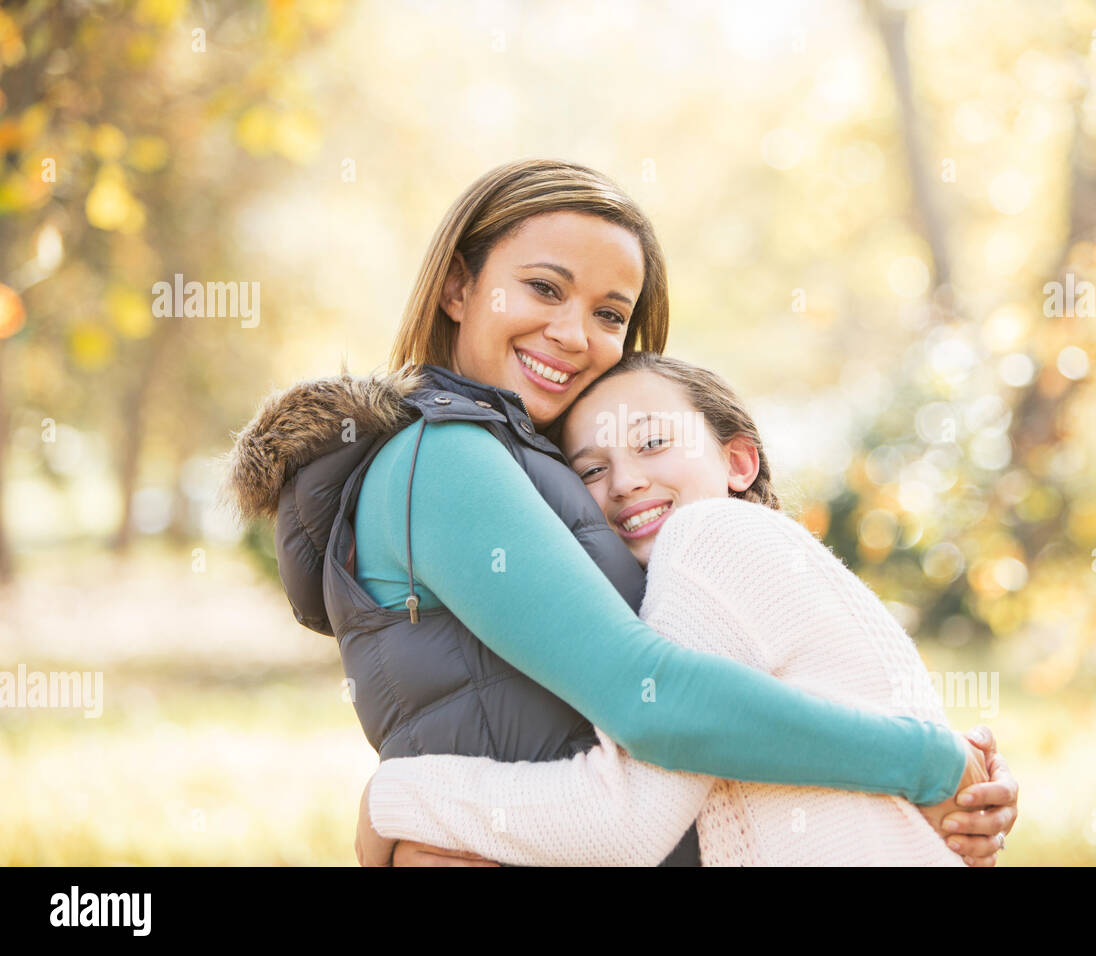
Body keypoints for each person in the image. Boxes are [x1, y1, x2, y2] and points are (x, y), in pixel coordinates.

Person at [227, 159, 1016, 868]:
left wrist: (948, 796)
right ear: (459, 287)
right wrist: (928, 765)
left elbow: (743, 679)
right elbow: (654, 702)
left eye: (610, 314)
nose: (573, 334)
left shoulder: (549, 472)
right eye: (543, 288)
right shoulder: (447, 460)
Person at [357, 353, 1016, 865]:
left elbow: (628, 820)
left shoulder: (709, 539)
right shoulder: (767, 560)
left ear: (737, 461)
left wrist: (392, 800)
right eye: (590, 470)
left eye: (651, 445)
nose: (625, 482)